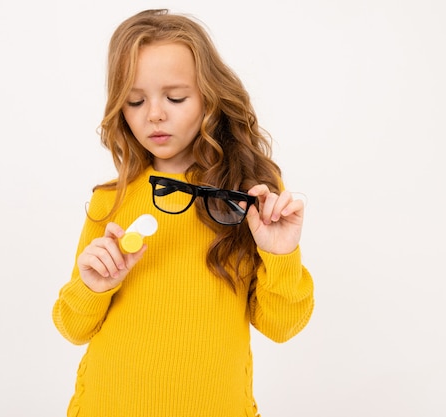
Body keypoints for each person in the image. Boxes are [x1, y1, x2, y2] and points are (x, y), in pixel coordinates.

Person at [52, 8, 314, 417]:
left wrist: (281, 254)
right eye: (135, 100)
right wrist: (94, 286)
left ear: (210, 97)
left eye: (175, 97)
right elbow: (73, 327)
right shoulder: (111, 200)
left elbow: (282, 327)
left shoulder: (247, 200)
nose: (154, 113)